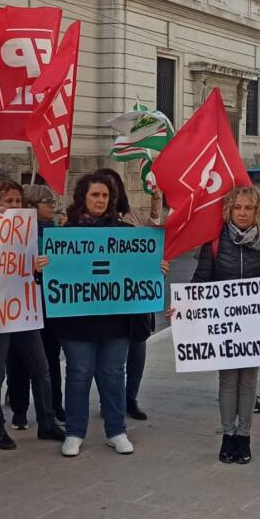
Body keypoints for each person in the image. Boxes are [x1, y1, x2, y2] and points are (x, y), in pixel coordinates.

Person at [47, 172, 167, 457]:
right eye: (94, 195)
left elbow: (139, 269)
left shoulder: (125, 231)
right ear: (83, 198)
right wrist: (43, 267)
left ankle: (116, 430)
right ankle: (75, 432)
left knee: (113, 374)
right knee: (78, 374)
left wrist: (155, 268)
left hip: (117, 321)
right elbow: (53, 277)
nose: (100, 200)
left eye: (104, 196)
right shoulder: (65, 234)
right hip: (77, 321)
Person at [188, 186, 260, 465]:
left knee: (249, 381)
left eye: (248, 208)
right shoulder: (215, 242)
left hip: (254, 325)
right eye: (238, 207)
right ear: (229, 210)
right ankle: (228, 436)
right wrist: (184, 305)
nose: (242, 213)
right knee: (228, 380)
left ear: (257, 212)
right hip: (225, 325)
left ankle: (245, 437)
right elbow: (201, 279)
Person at [0, 171, 62, 448]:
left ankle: (47, 422)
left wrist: (39, 268)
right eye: (8, 201)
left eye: (17, 201)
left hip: (25, 309)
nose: (14, 206)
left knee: (42, 369)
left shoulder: (29, 231)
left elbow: (37, 269)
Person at [96, 167, 163, 421]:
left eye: (112, 189)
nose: (107, 196)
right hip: (106, 301)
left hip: (134, 300)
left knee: (137, 350)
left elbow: (151, 240)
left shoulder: (131, 217)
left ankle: (130, 398)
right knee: (109, 358)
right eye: (102, 190)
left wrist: (156, 205)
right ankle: (108, 400)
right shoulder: (89, 222)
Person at [18, 184, 66, 423]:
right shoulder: (22, 235)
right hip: (27, 305)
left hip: (52, 306)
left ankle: (55, 406)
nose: (52, 207)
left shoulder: (58, 232)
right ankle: (20, 409)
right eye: (47, 202)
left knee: (51, 360)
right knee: (26, 362)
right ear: (31, 206)